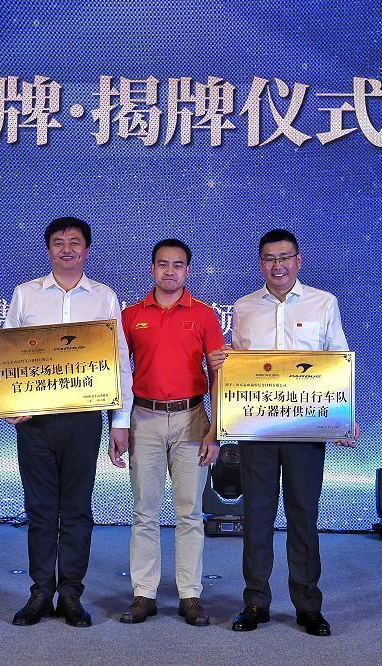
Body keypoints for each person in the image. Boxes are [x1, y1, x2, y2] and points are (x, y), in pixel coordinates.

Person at [212, 229, 356, 637]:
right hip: (256, 428)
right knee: (257, 516)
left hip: (305, 428)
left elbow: (336, 360)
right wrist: (226, 363)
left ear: (298, 261)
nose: (278, 265)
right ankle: (255, 602)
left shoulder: (324, 302)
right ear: (261, 263)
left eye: (285, 257)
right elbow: (239, 367)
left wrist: (345, 416)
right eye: (269, 258)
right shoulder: (244, 307)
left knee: (303, 515)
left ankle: (308, 606)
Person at [3, 217, 133, 628]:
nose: (66, 248)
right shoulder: (25, 294)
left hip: (83, 419)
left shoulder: (104, 297)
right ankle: (41, 592)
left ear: (86, 250)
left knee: (76, 508)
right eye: (58, 242)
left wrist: (120, 421)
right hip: (36, 422)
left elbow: (119, 363)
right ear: (48, 249)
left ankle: (71, 593)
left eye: (74, 242)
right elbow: (6, 355)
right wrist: (9, 403)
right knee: (40, 508)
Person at [118, 239, 225, 627]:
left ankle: (190, 594)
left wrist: (216, 430)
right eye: (162, 264)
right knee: (144, 512)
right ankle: (144, 594)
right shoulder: (131, 316)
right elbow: (118, 375)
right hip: (143, 418)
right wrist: (118, 425)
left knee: (190, 512)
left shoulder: (205, 315)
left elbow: (219, 374)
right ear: (152, 269)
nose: (169, 271)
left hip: (192, 419)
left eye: (177, 265)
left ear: (187, 271)